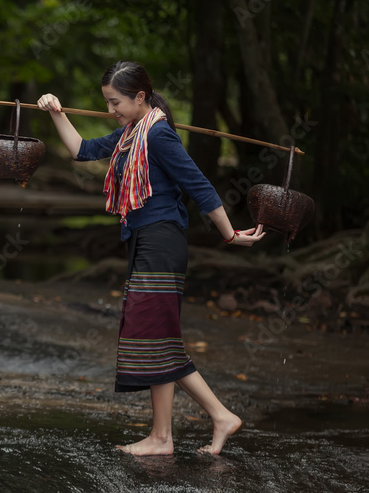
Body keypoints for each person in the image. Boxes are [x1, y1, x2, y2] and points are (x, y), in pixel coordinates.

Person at [37, 61, 265, 457]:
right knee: (156, 336)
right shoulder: (130, 134)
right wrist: (57, 112)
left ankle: (216, 416)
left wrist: (229, 234)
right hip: (144, 240)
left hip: (162, 242)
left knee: (151, 334)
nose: (111, 111)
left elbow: (199, 185)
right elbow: (82, 150)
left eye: (116, 103)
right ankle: (163, 437)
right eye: (107, 103)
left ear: (140, 96)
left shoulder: (158, 135)